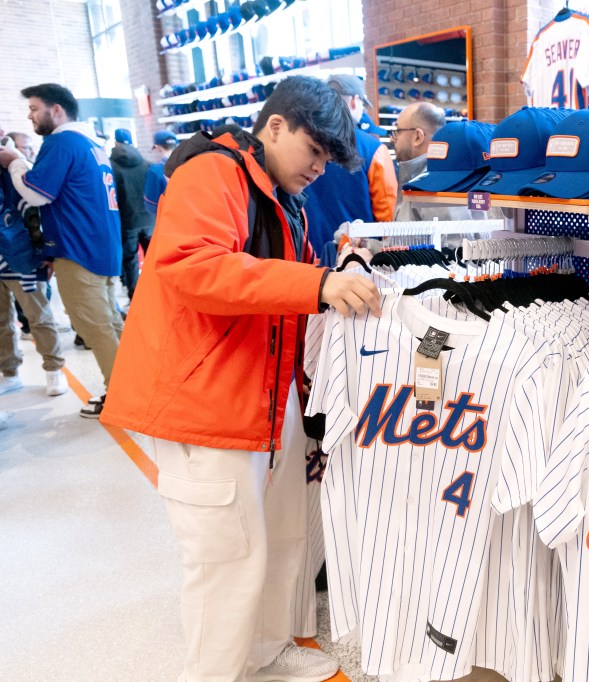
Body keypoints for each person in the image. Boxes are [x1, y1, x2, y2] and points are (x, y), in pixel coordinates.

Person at [100, 75, 380, 682]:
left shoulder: (278, 195)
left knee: (278, 534)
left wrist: (331, 270)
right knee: (226, 557)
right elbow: (193, 266)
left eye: (329, 159)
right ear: (274, 126)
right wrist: (318, 284)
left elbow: (279, 283)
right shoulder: (214, 173)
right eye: (315, 151)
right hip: (205, 398)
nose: (320, 169)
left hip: (261, 391)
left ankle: (267, 649)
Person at [0, 83, 122, 418]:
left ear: (56, 110)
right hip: (100, 246)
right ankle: (132, 386)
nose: (30, 116)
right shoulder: (90, 143)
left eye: (34, 108)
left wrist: (15, 161)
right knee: (109, 322)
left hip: (79, 250)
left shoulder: (61, 141)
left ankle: (123, 396)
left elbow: (37, 192)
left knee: (95, 325)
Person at [0, 128, 67, 397]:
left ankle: (54, 369)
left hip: (23, 257)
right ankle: (10, 372)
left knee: (39, 317)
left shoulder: (15, 164)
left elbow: (39, 209)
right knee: (1, 323)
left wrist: (46, 253)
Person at [302, 74, 397, 260]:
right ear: (355, 100)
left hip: (306, 259)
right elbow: (388, 221)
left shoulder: (302, 142)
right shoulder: (373, 149)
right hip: (357, 260)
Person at [392, 101, 485, 224]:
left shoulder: (435, 185)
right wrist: (369, 243)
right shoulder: (418, 178)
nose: (392, 138)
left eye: (398, 131)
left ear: (417, 137)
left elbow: (454, 242)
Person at [110, 129, 156, 300]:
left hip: (127, 220)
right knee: (154, 257)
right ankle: (158, 292)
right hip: (149, 218)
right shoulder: (147, 163)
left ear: (115, 143)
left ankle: (136, 297)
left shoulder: (110, 167)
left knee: (130, 260)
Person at [143, 129, 177, 216]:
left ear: (158, 147)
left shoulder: (155, 171)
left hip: (169, 221)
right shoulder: (191, 164)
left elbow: (151, 205)